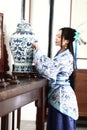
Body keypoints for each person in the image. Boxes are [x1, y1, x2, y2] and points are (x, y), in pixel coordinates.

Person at [32, 27, 79, 130]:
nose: (56, 38)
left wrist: (38, 51)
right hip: (58, 94)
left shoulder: (66, 56)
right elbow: (51, 65)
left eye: (59, 36)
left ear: (66, 41)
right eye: (56, 36)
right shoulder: (61, 54)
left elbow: (49, 68)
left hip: (62, 97)